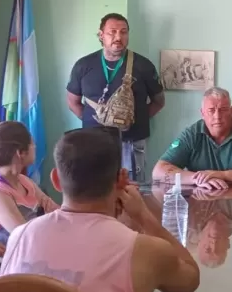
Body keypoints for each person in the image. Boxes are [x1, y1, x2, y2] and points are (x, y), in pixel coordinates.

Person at [0, 127, 200, 292]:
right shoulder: (144, 250)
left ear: (56, 180)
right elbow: (190, 279)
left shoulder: (19, 236)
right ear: (120, 180)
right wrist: (143, 216)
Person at [66, 13, 165, 182]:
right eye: (112, 32)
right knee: (95, 188)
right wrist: (99, 120)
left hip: (132, 142)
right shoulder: (83, 65)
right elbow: (73, 102)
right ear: (101, 35)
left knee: (132, 189)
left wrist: (136, 119)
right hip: (93, 142)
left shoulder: (144, 66)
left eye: (123, 32)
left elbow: (159, 102)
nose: (118, 37)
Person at [153, 87, 232, 188]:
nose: (217, 116)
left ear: (231, 111)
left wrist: (223, 175)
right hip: (200, 203)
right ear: (202, 113)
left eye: (223, 110)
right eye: (211, 110)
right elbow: (158, 171)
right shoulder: (191, 135)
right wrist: (197, 179)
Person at [0, 122, 58, 245]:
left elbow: (56, 212)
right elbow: (27, 239)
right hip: (12, 255)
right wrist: (48, 220)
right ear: (20, 153)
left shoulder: (23, 181)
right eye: (32, 144)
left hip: (37, 246)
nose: (35, 146)